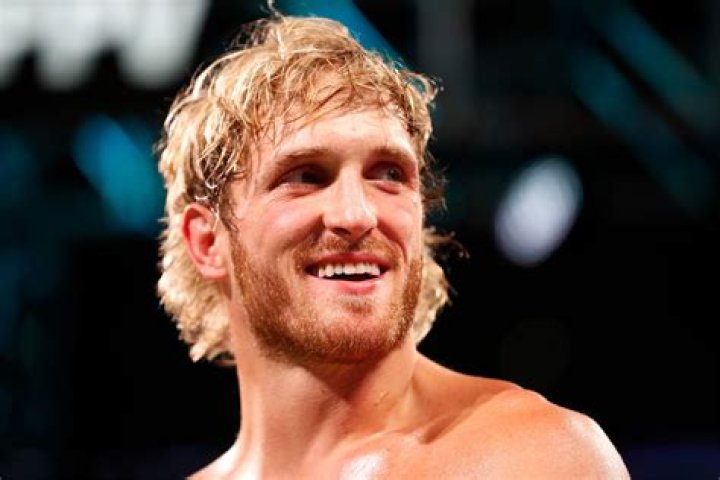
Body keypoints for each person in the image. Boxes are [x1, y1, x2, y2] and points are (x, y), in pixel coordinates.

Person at [156, 11, 630, 479]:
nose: (357, 215)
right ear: (207, 241)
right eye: (305, 177)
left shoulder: (525, 456)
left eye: (388, 175)